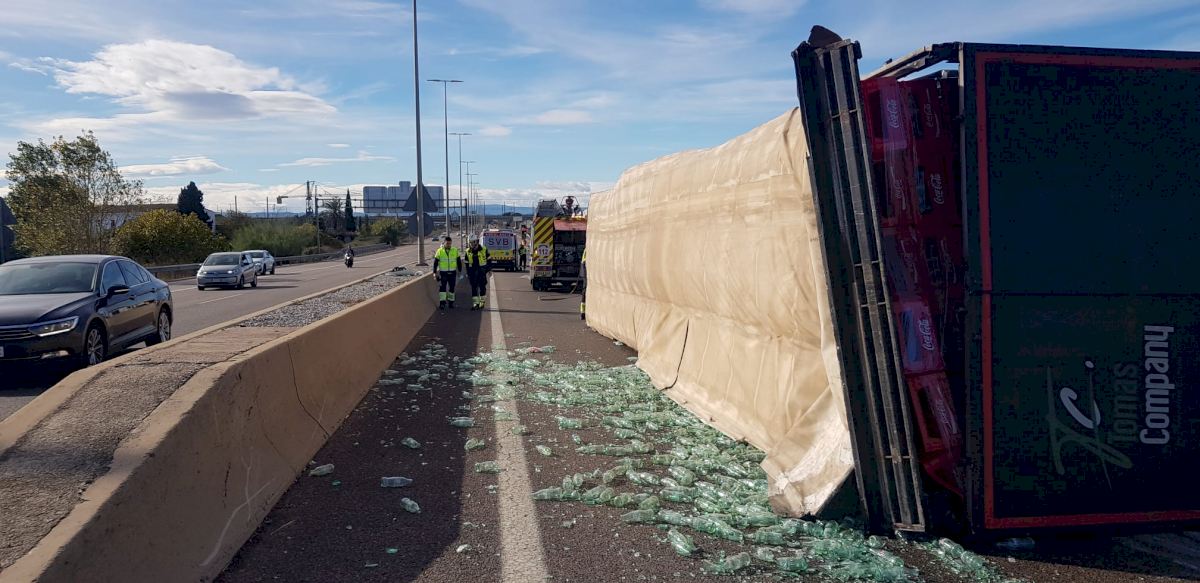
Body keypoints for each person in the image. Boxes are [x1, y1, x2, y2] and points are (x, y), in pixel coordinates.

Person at [432, 236, 462, 310]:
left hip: (452, 272)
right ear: (444, 243)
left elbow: (459, 261)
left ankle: (451, 303)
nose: (449, 245)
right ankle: (442, 303)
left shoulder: (455, 250)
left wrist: (459, 271)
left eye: (450, 243)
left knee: (452, 288)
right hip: (443, 273)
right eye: (447, 243)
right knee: (442, 288)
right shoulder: (439, 251)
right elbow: (435, 263)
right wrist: (434, 272)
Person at [464, 237, 489, 310]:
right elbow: (466, 263)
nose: (471, 244)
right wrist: (468, 273)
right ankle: (475, 303)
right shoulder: (467, 251)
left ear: (476, 242)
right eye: (470, 242)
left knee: (482, 288)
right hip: (472, 272)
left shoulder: (484, 249)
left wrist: (488, 270)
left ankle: (482, 302)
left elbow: (489, 260)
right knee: (474, 288)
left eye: (473, 242)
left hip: (481, 272)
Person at [579, 246, 587, 321]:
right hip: (585, 268)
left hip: (585, 268)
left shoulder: (587, 248)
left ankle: (583, 313)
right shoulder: (588, 248)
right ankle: (583, 313)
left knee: (585, 291)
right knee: (585, 290)